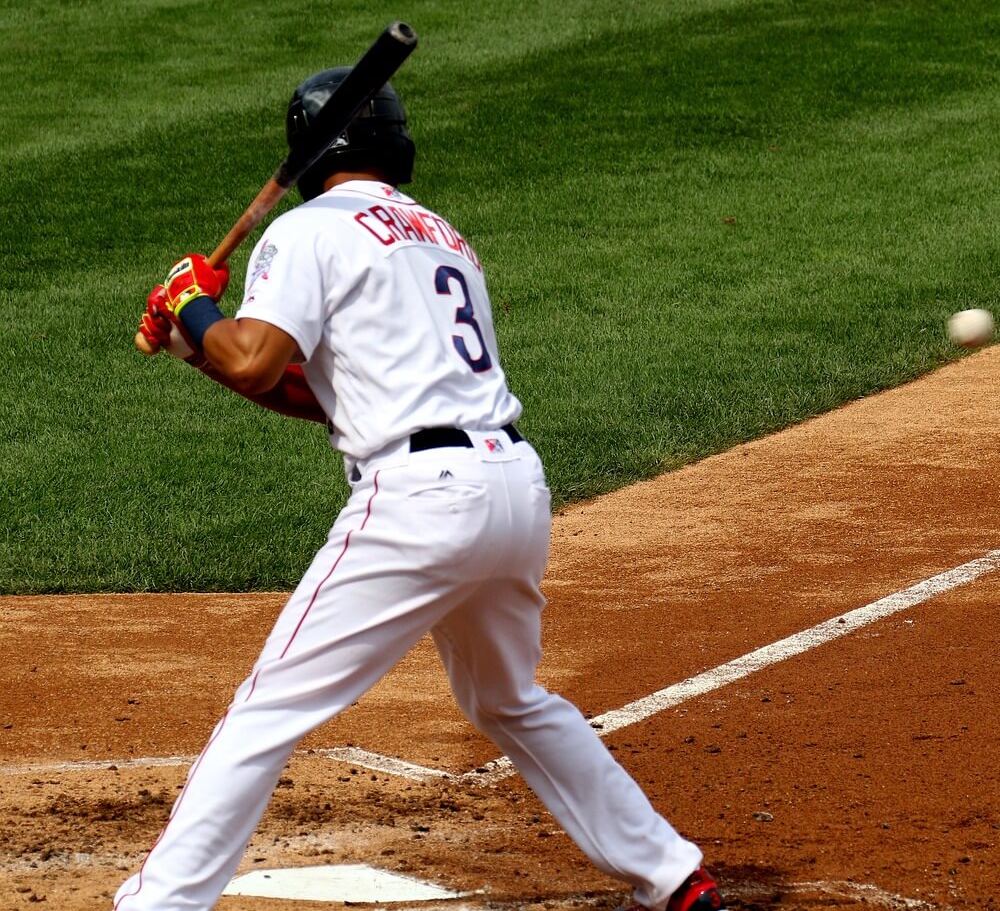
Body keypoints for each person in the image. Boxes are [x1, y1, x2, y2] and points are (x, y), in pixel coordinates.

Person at [124, 67, 725, 911]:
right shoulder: (440, 235)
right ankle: (672, 874)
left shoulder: (305, 231)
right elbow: (325, 393)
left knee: (266, 710)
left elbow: (255, 359)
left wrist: (191, 302)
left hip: (420, 500)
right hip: (512, 488)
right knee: (508, 697)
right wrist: (197, 344)